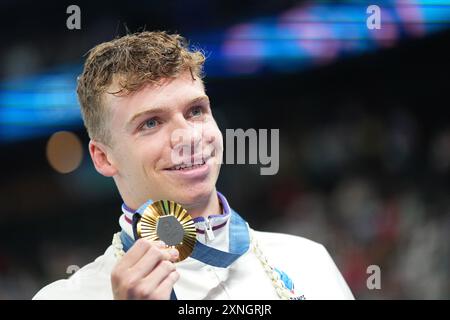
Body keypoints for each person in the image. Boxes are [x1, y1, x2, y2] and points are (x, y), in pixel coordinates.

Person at [33, 31, 354, 300]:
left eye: (195, 111)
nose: (187, 136)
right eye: (151, 123)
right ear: (103, 157)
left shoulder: (307, 260)